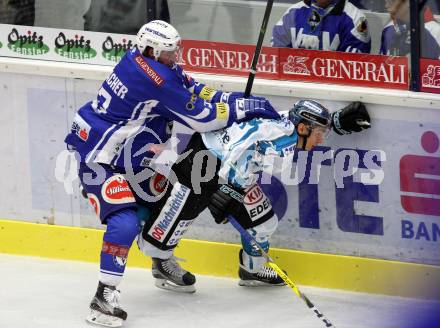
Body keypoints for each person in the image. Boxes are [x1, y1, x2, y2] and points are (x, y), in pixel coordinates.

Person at [64, 19, 279, 327]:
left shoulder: (148, 63)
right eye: (169, 52)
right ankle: (103, 298)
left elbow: (193, 88)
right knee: (125, 223)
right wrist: (244, 108)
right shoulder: (154, 78)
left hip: (130, 153)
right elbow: (203, 117)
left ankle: (160, 261)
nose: (174, 57)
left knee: (168, 198)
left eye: (175, 50)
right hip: (99, 158)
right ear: (151, 50)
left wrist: (232, 99)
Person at [137, 100, 371, 288]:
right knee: (184, 211)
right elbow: (239, 148)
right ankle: (160, 260)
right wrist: (227, 189)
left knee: (264, 221)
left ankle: (252, 268)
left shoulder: (291, 127)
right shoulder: (275, 136)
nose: (321, 139)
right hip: (204, 161)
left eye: (323, 133)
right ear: (302, 128)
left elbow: (291, 118)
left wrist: (336, 122)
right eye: (319, 133)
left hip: (235, 174)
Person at [271, 0, 371, 53]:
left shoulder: (358, 19)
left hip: (334, 89)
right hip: (293, 86)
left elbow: (355, 67)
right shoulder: (292, 12)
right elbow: (275, 54)